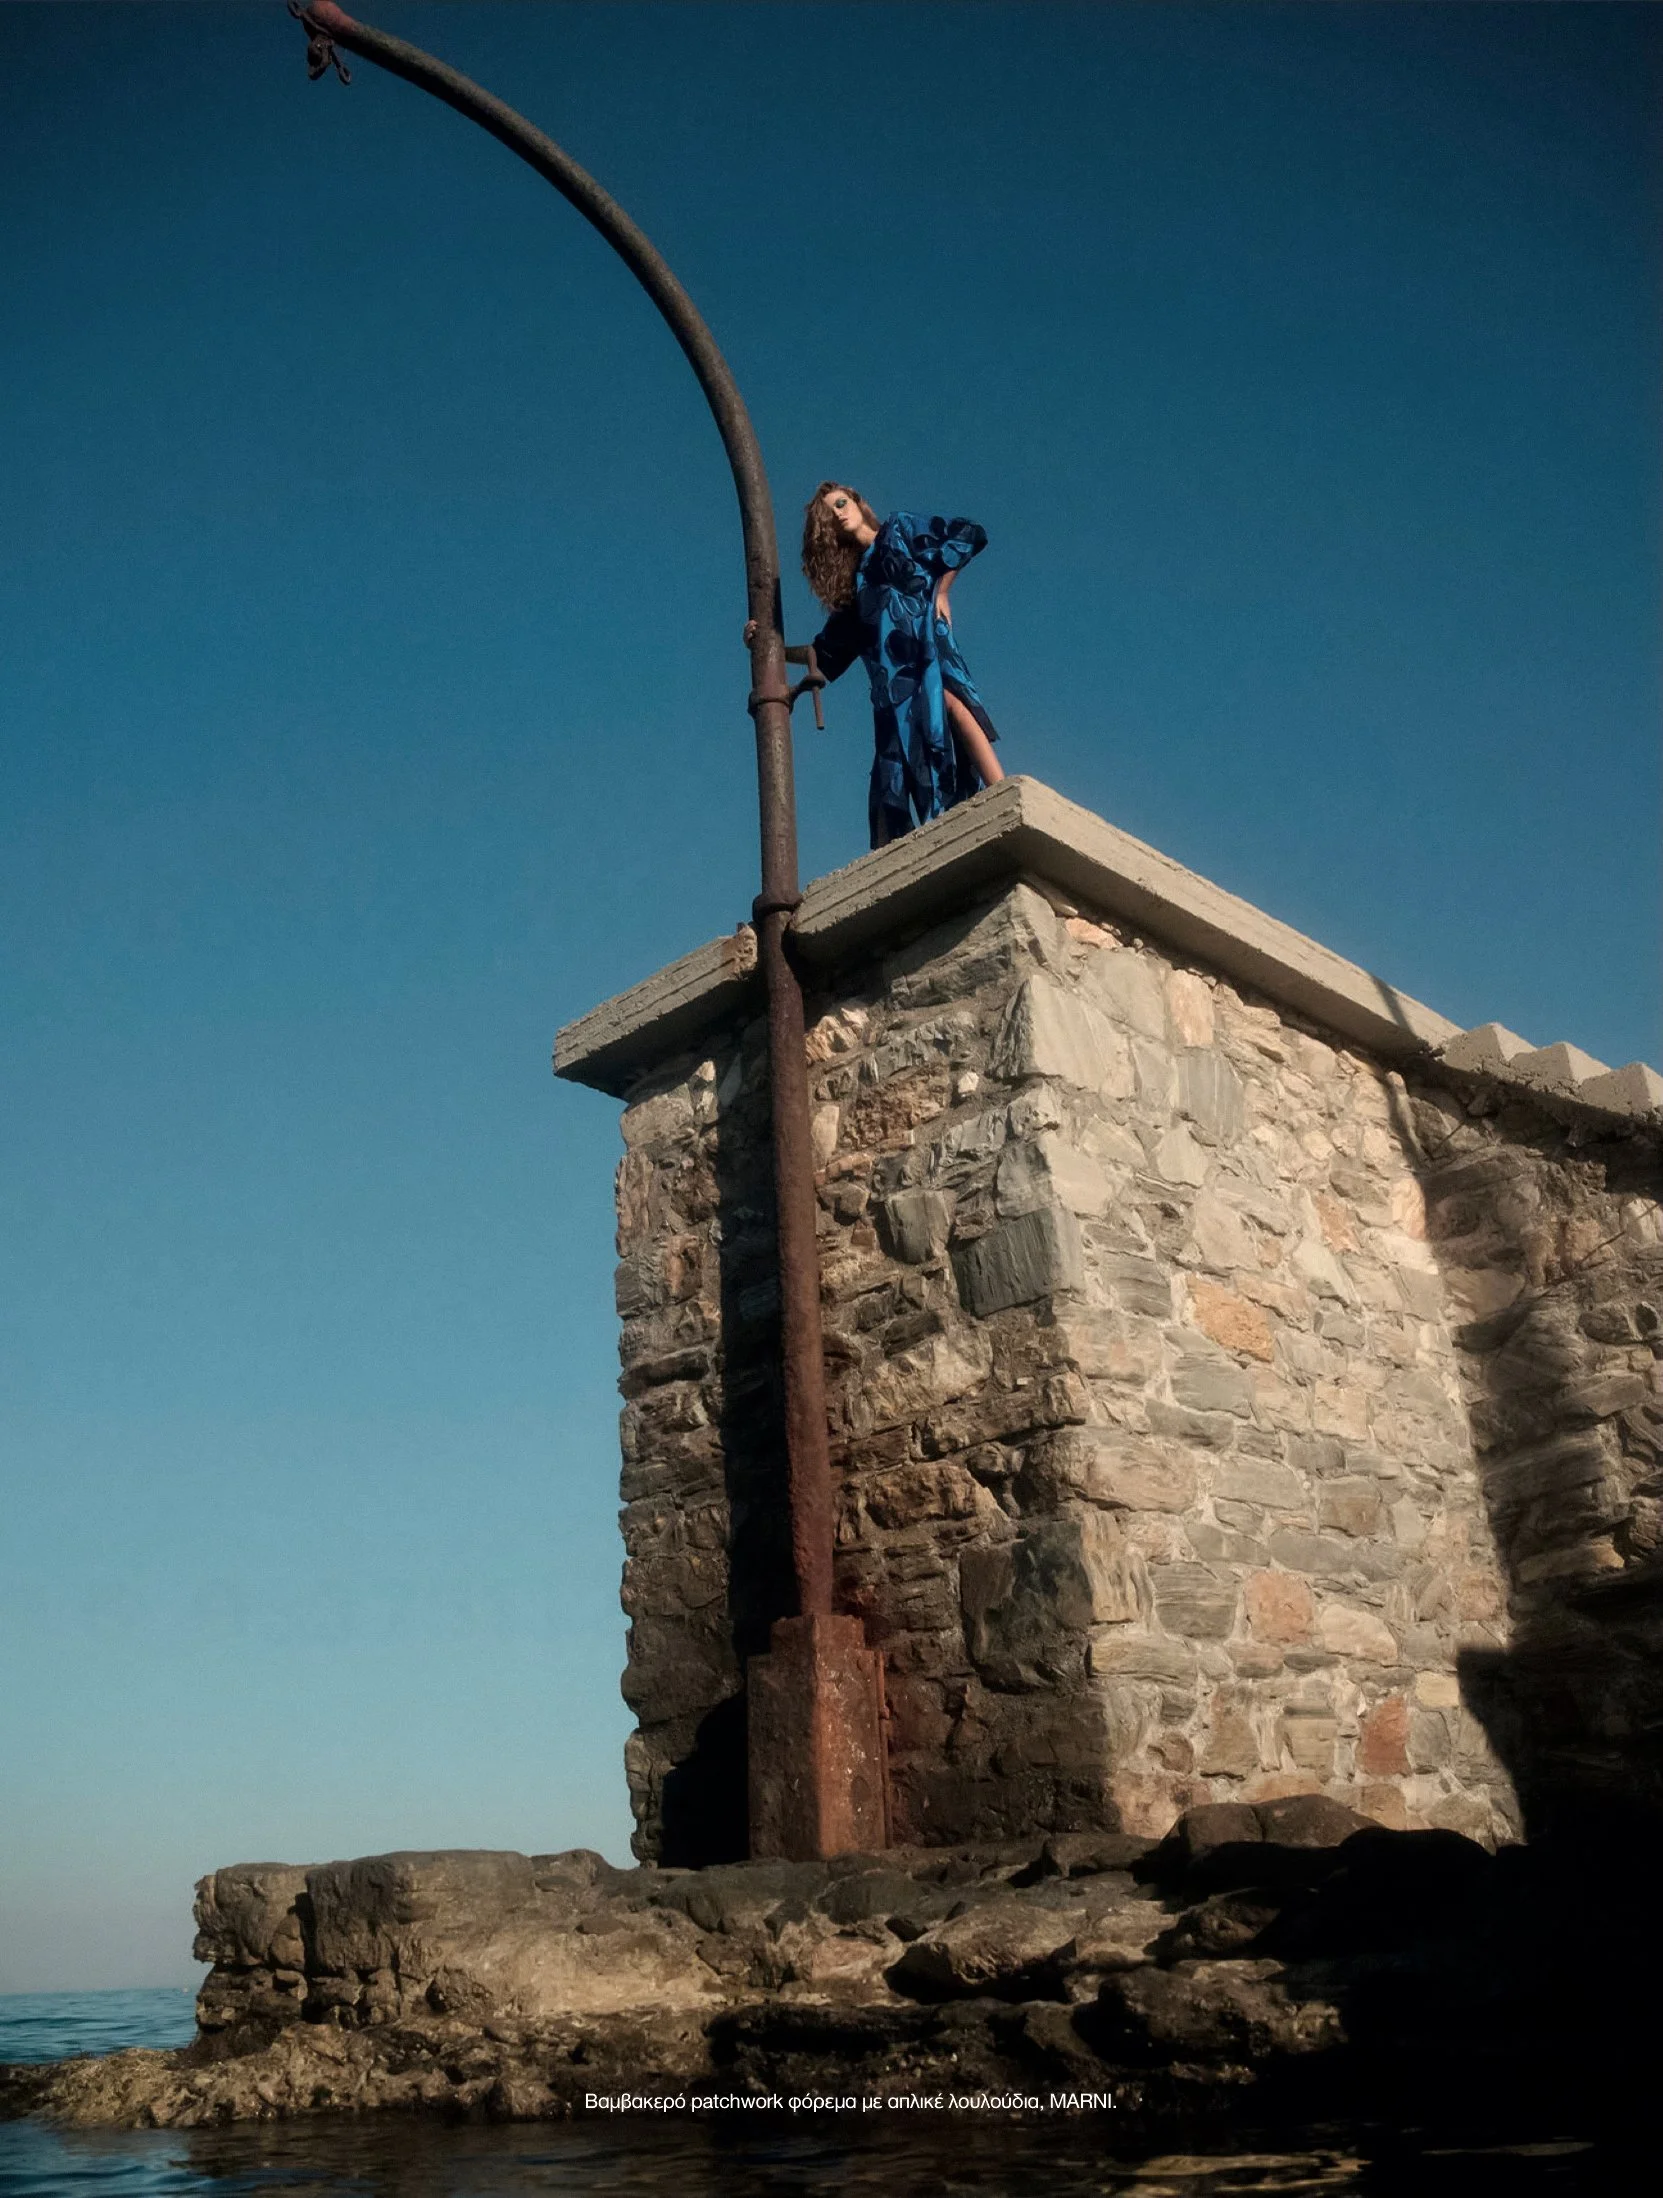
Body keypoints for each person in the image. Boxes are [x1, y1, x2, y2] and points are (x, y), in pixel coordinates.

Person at [747, 483, 1005, 849]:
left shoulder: (899, 530)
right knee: (890, 775)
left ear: (857, 502)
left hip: (928, 651)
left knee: (950, 704)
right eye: (829, 514)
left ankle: (1004, 792)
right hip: (891, 687)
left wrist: (942, 589)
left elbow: (966, 535)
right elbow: (823, 654)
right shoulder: (857, 589)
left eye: (841, 502)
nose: (838, 512)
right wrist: (769, 645)